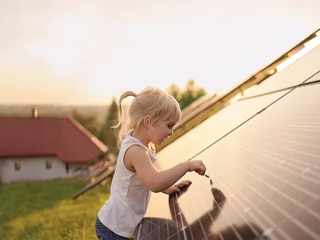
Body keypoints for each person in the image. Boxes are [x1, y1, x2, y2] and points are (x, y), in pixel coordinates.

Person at [95, 86, 207, 240]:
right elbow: (154, 182)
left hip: (118, 225)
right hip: (114, 229)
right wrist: (186, 166)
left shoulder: (143, 145)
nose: (171, 132)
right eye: (169, 125)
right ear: (149, 121)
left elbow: (146, 177)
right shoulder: (136, 151)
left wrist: (168, 188)